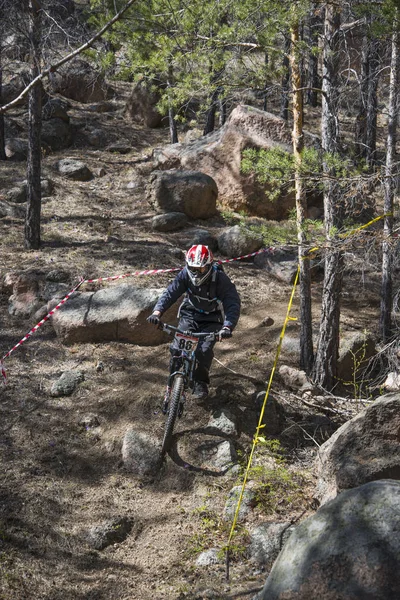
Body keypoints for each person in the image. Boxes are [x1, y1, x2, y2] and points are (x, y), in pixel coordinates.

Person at [147, 244, 241, 400]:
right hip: (190, 314)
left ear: (210, 266)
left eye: (202, 269)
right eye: (193, 268)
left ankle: (200, 382)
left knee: (203, 352)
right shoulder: (184, 274)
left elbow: (232, 303)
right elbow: (171, 293)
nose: (197, 273)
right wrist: (157, 313)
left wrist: (227, 326)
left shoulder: (220, 279)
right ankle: (173, 379)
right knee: (176, 349)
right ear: (188, 265)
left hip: (212, 319)